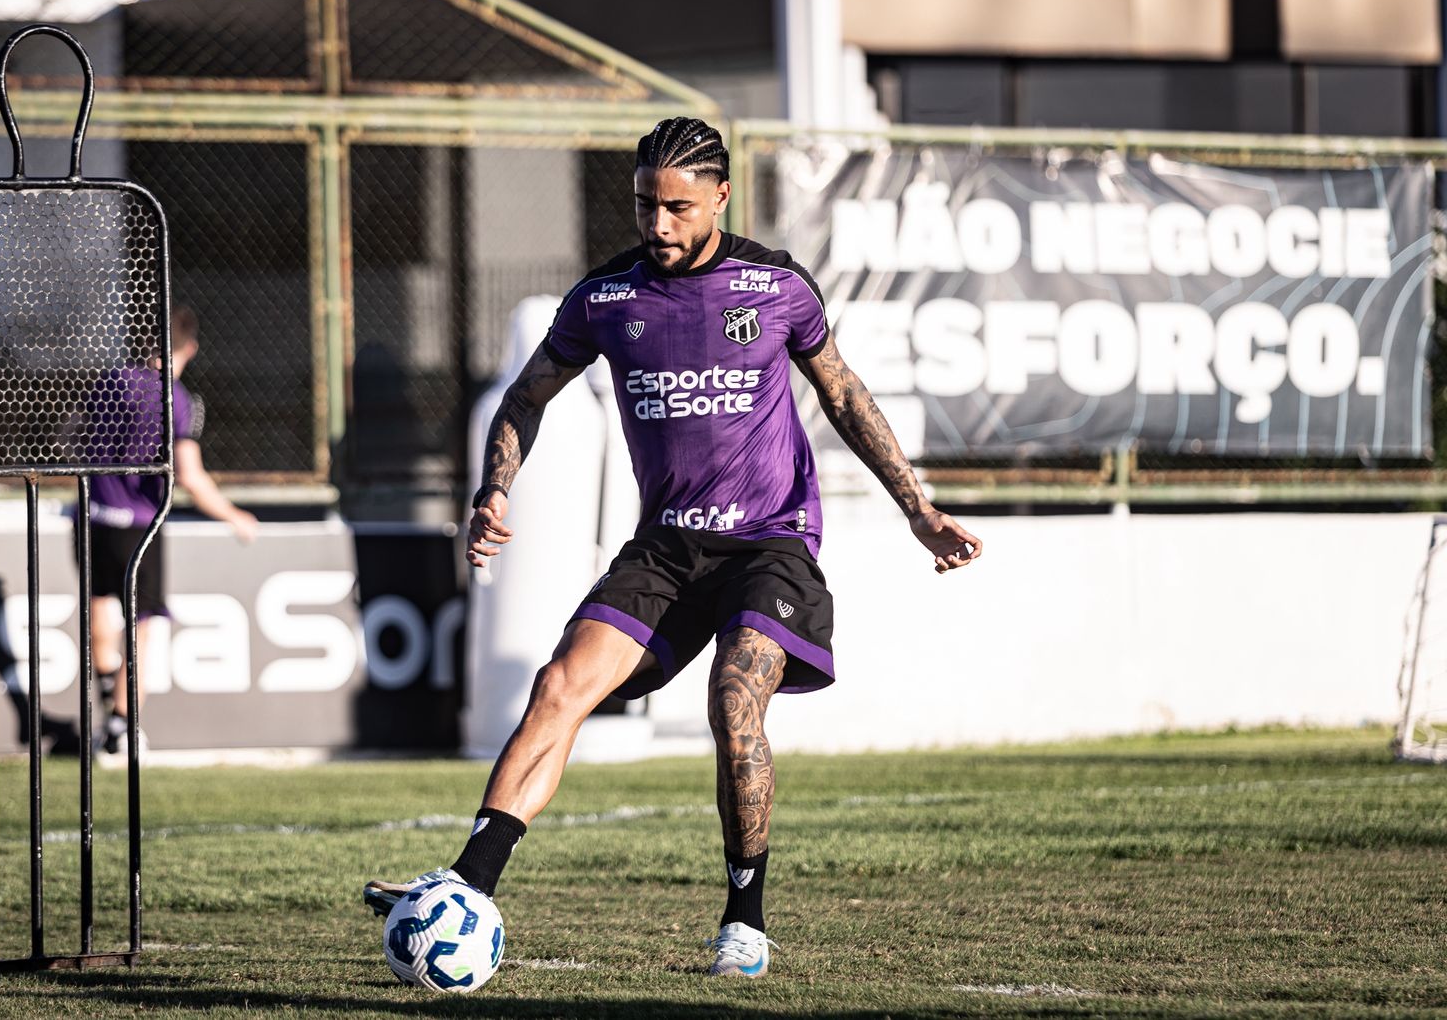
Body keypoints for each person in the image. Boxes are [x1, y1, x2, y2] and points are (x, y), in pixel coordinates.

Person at [363, 118, 982, 976]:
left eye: (679, 208)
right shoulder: (606, 299)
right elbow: (524, 397)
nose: (658, 225)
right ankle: (469, 884)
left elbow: (842, 393)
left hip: (770, 544)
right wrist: (493, 488)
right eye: (646, 206)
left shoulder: (775, 287)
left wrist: (918, 508)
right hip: (664, 550)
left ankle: (745, 917)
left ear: (721, 196)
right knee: (559, 684)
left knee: (735, 702)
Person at [81, 305, 258, 755]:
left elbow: (73, 436)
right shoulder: (177, 399)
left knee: (100, 603)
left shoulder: (109, 382)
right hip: (139, 526)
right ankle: (121, 727)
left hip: (93, 515)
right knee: (144, 625)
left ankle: (107, 694)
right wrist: (234, 515)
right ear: (190, 348)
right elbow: (191, 475)